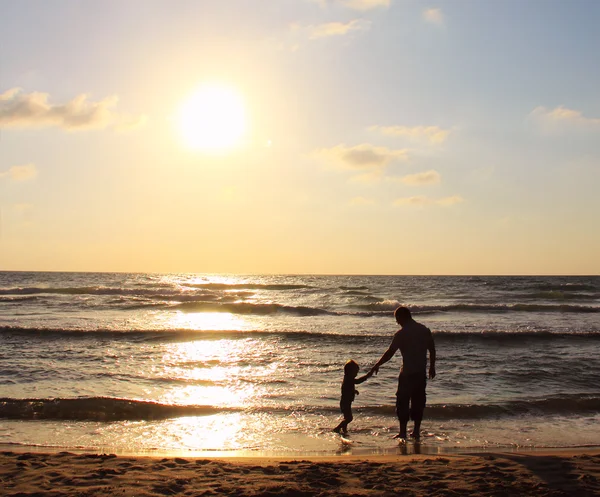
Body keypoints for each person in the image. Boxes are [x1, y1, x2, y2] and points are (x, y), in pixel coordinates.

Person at [370, 306, 436, 440]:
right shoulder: (424, 330)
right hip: (420, 373)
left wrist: (377, 364)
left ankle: (403, 432)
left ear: (402, 317)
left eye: (397, 319)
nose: (397, 322)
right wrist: (432, 367)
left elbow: (390, 353)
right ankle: (416, 431)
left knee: (402, 403)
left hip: (407, 373)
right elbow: (432, 349)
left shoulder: (401, 334)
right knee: (418, 402)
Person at [333, 359, 373, 434]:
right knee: (349, 418)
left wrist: (354, 391)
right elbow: (358, 381)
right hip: (345, 402)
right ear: (349, 372)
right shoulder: (348, 379)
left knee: (346, 418)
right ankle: (337, 428)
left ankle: (344, 430)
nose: (356, 374)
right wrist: (367, 376)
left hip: (345, 402)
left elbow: (347, 388)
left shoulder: (347, 379)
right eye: (355, 372)